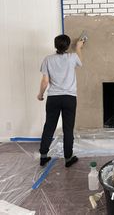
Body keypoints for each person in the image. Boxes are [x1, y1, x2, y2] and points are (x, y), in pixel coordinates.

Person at [37, 34, 84, 167]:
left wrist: (40, 94)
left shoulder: (48, 59)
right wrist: (79, 48)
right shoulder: (72, 57)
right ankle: (68, 158)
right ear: (68, 46)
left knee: (49, 126)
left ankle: (43, 156)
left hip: (53, 98)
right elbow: (81, 62)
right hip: (69, 98)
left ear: (55, 45)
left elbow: (45, 80)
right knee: (68, 129)